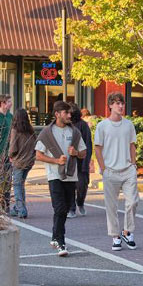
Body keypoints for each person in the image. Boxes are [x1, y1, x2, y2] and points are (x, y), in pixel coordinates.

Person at [35, 101, 86, 256]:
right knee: (60, 208)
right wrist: (56, 161)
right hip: (54, 175)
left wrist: (76, 153)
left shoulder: (75, 132)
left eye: (69, 113)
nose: (69, 115)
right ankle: (61, 242)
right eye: (66, 113)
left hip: (71, 176)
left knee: (64, 209)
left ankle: (54, 236)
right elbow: (38, 155)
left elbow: (84, 152)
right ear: (57, 114)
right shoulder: (46, 133)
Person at [94, 92, 139, 250]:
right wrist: (103, 169)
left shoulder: (128, 125)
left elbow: (132, 145)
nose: (121, 106)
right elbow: (98, 148)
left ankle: (127, 231)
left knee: (133, 201)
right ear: (110, 105)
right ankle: (115, 236)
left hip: (128, 170)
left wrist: (133, 165)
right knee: (111, 206)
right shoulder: (102, 126)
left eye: (122, 103)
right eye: (117, 103)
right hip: (110, 171)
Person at [8, 108, 37, 218]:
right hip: (29, 161)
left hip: (19, 162)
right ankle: (18, 207)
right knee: (21, 185)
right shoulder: (31, 130)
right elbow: (35, 145)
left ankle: (21, 209)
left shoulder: (15, 130)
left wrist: (10, 156)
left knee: (17, 185)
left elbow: (13, 148)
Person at [67, 103, 93, 218]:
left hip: (81, 160)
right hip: (69, 161)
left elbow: (88, 143)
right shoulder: (64, 125)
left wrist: (86, 160)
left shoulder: (83, 125)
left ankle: (80, 202)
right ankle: (71, 208)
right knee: (70, 186)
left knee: (82, 185)